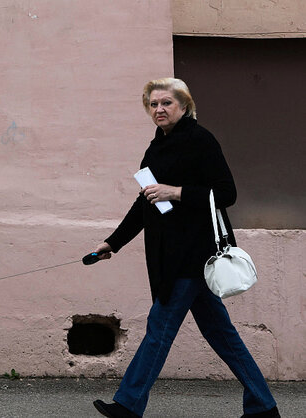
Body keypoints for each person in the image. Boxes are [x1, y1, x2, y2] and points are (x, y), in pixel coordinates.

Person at [91, 78, 279, 418]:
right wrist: (112, 243)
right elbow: (145, 203)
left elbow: (226, 193)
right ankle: (263, 406)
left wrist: (175, 192)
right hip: (168, 254)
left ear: (183, 106)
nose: (159, 109)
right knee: (223, 336)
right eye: (153, 104)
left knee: (158, 329)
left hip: (192, 254)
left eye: (166, 103)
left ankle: (128, 405)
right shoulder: (155, 148)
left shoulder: (200, 140)